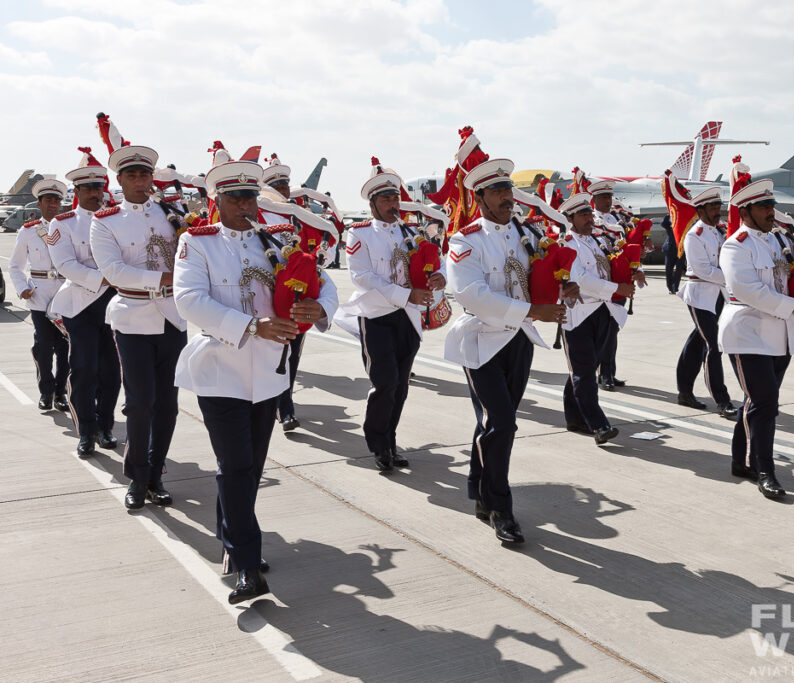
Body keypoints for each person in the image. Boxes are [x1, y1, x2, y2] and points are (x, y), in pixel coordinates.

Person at [174, 160, 338, 603]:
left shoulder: (279, 242)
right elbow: (188, 299)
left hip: (267, 373)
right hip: (220, 371)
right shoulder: (197, 242)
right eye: (235, 198)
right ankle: (247, 563)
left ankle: (232, 536)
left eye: (251, 197)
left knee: (250, 468)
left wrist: (319, 309)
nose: (246, 205)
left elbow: (322, 282)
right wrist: (250, 325)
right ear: (217, 202)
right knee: (236, 466)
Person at [445, 157, 568, 545]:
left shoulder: (527, 234)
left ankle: (478, 489)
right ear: (479, 197)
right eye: (496, 192)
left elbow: (542, 274)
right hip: (482, 341)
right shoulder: (465, 240)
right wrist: (533, 309)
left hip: (518, 339)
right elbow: (471, 294)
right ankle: (501, 508)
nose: (505, 198)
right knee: (502, 423)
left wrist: (565, 286)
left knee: (495, 423)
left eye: (507, 190)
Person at [719, 179, 794, 499]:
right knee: (766, 404)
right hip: (748, 332)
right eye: (765, 207)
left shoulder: (779, 240)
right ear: (746, 211)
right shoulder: (736, 245)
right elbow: (746, 290)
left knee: (757, 402)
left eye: (772, 205)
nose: (772, 212)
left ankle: (740, 460)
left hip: (780, 334)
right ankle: (764, 469)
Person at [91, 144, 187, 510]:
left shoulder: (173, 214)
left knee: (168, 406)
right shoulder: (106, 221)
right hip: (132, 319)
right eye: (132, 175)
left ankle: (155, 475)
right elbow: (114, 271)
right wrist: (166, 277)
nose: (139, 181)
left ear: (152, 178)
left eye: (145, 174)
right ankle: (137, 476)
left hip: (172, 318)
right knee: (140, 403)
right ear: (120, 180)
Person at [338, 159, 446, 471]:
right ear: (372, 203)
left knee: (400, 386)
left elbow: (430, 262)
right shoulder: (359, 234)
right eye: (385, 199)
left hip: (408, 317)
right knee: (384, 381)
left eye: (395, 198)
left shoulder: (411, 232)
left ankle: (390, 440)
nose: (393, 204)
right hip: (376, 317)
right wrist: (404, 294)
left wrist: (439, 278)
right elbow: (362, 277)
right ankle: (377, 442)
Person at [48, 151, 121, 457]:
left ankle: (105, 427)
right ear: (76, 192)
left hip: (115, 305)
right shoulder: (62, 224)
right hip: (80, 307)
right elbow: (65, 264)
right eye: (88, 189)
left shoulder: (117, 221)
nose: (94, 193)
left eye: (98, 188)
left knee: (112, 372)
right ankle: (86, 432)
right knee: (84, 369)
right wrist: (105, 278)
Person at [560, 192, 635, 444]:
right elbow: (579, 279)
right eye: (583, 215)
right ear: (570, 218)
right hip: (578, 313)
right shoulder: (568, 244)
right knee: (583, 370)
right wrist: (616, 288)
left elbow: (609, 266)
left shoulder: (597, 241)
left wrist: (631, 272)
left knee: (586, 368)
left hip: (603, 311)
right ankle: (599, 425)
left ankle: (574, 417)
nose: (589, 219)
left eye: (589, 214)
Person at [10, 179, 71, 412]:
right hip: (40, 296)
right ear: (40, 203)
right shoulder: (29, 231)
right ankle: (46, 391)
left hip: (66, 295)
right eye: (49, 200)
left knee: (66, 349)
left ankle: (61, 392)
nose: (53, 204)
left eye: (57, 200)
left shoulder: (69, 227)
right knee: (43, 347)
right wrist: (22, 287)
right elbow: (15, 266)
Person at [676, 187, 737, 418]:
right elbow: (702, 269)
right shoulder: (695, 235)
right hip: (700, 297)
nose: (716, 212)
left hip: (718, 297)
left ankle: (684, 391)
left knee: (697, 342)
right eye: (712, 208)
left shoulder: (718, 232)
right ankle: (722, 401)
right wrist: (734, 278)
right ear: (700, 210)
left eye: (718, 207)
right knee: (713, 346)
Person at [261, 155, 303, 432]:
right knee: (274, 354)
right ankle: (280, 407)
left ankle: (284, 405)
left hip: (295, 291)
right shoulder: (258, 213)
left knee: (293, 353)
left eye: (285, 186)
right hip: (265, 291)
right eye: (276, 186)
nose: (283, 191)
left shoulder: (296, 214)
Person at [589, 180, 629, 389]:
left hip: (617, 280)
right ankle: (602, 373)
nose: (607, 201)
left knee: (612, 330)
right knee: (603, 332)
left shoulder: (617, 219)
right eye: (603, 197)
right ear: (594, 200)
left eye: (609, 197)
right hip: (601, 282)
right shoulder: (590, 220)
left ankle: (609, 372)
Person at [660, 214, 684, 294]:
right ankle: (670, 287)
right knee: (668, 270)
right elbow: (663, 223)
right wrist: (668, 215)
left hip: (680, 251)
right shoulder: (671, 227)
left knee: (679, 270)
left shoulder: (685, 227)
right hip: (670, 250)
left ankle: (675, 287)